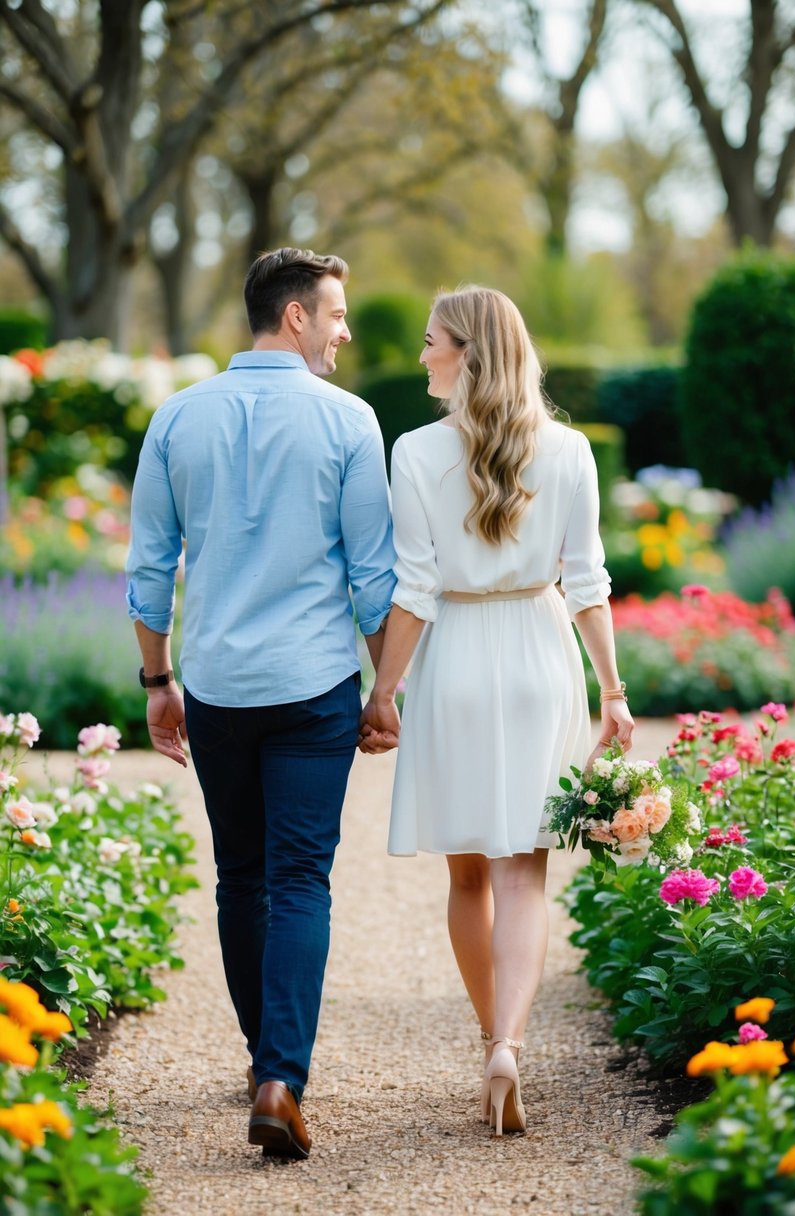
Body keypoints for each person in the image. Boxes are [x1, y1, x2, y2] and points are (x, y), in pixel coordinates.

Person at [126, 247, 396, 1160]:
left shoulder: (175, 416)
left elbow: (150, 568)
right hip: (314, 685)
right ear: (294, 317)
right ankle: (281, 1077)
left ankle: (260, 1065)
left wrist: (158, 683)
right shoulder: (349, 422)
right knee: (297, 879)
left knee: (240, 876)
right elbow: (372, 577)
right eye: (336, 314)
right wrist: (385, 689)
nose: (343, 331)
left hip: (217, 685)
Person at [360, 285, 634, 1137]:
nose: (421, 355)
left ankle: (489, 1036)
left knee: (467, 873)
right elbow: (586, 582)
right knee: (524, 870)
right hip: (540, 656)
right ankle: (509, 1045)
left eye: (431, 340)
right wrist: (614, 692)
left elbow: (411, 587)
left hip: (457, 663)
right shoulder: (570, 450)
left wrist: (384, 691)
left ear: (469, 353)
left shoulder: (411, 451)